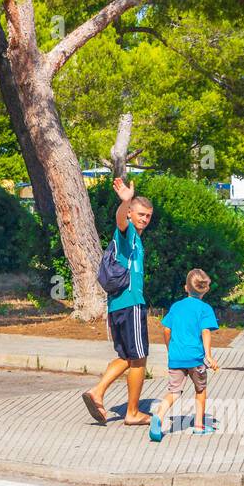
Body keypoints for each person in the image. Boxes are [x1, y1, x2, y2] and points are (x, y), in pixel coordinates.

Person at [82, 177, 153, 426]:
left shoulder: (135, 238)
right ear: (132, 214)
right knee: (139, 358)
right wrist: (125, 202)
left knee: (127, 356)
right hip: (130, 303)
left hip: (116, 305)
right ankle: (132, 413)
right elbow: (121, 222)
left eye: (148, 216)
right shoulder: (128, 234)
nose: (144, 219)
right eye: (140, 214)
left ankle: (97, 391)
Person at [150, 269, 220, 441]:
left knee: (174, 391)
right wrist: (209, 356)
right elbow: (205, 332)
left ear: (185, 288)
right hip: (196, 358)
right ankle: (198, 425)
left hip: (176, 357)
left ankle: (158, 416)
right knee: (200, 389)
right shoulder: (205, 309)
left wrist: (170, 349)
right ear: (206, 289)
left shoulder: (176, 307)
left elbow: (166, 330)